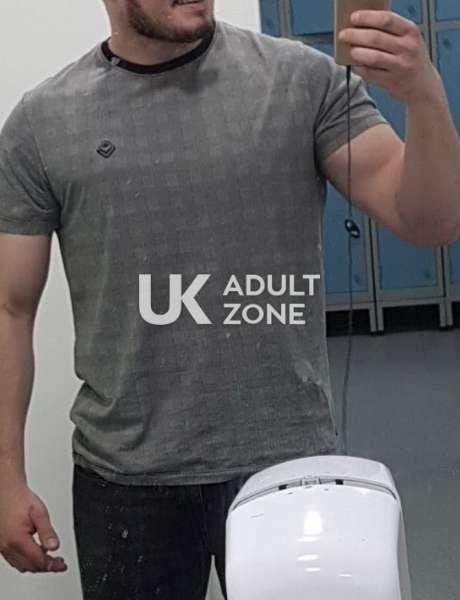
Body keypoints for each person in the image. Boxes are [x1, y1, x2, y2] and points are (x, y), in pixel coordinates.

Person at [0, 0, 459, 598]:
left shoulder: (302, 80)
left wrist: (424, 96)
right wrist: (5, 477)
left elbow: (429, 221)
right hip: (127, 479)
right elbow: (10, 308)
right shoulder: (42, 123)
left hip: (287, 463)